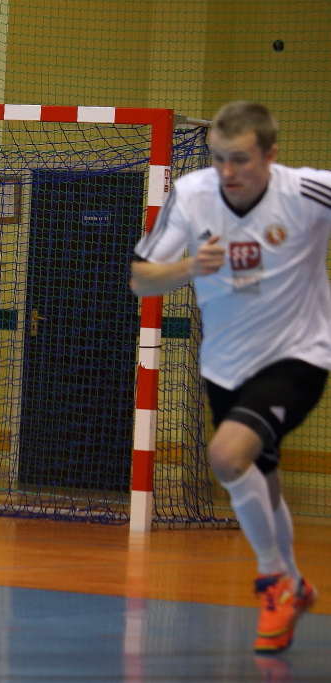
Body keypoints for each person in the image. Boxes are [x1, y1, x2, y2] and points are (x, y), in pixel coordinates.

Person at [130, 101, 331, 654]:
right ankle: (293, 581)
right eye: (219, 158)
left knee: (226, 456)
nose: (227, 171)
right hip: (224, 366)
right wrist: (190, 267)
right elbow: (142, 279)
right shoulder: (192, 194)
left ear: (270, 156)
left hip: (296, 357)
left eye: (240, 159)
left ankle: (274, 582)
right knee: (261, 480)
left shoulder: (308, 192)